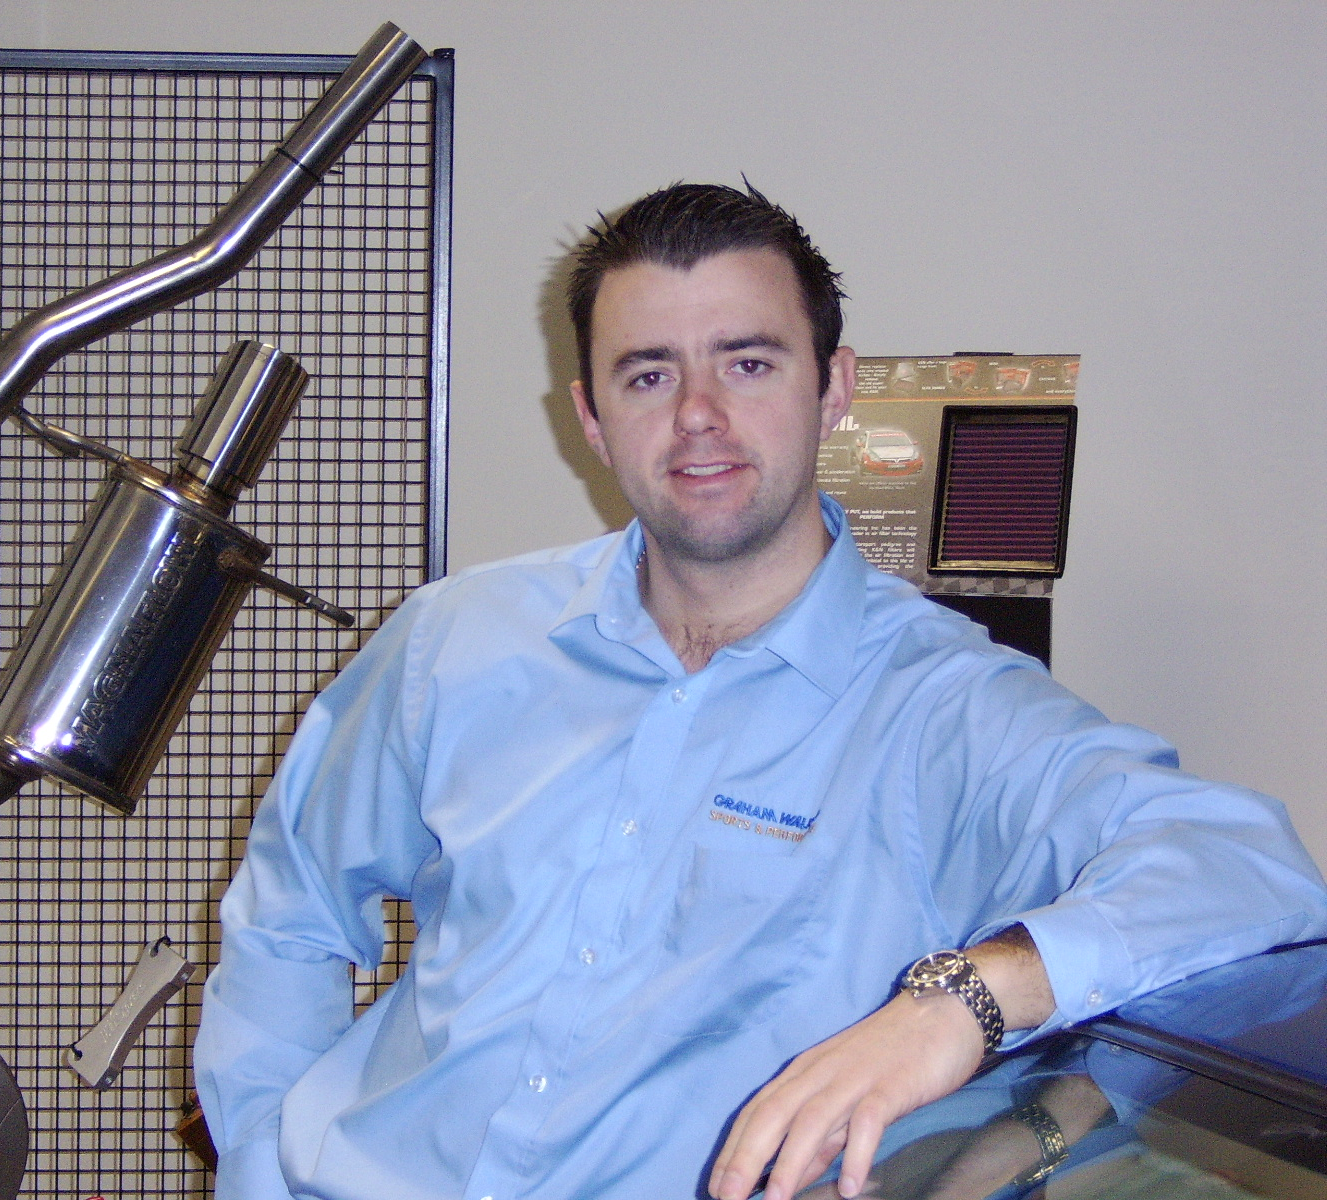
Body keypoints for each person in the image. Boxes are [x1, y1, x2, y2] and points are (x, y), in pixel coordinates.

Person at [193, 182, 1327, 1200]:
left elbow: (1245, 867)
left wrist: (963, 1001)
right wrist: (254, 1164)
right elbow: (292, 912)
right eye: (648, 374)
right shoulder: (456, 639)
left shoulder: (947, 710)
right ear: (590, 418)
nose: (697, 414)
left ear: (833, 388)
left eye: (747, 362)